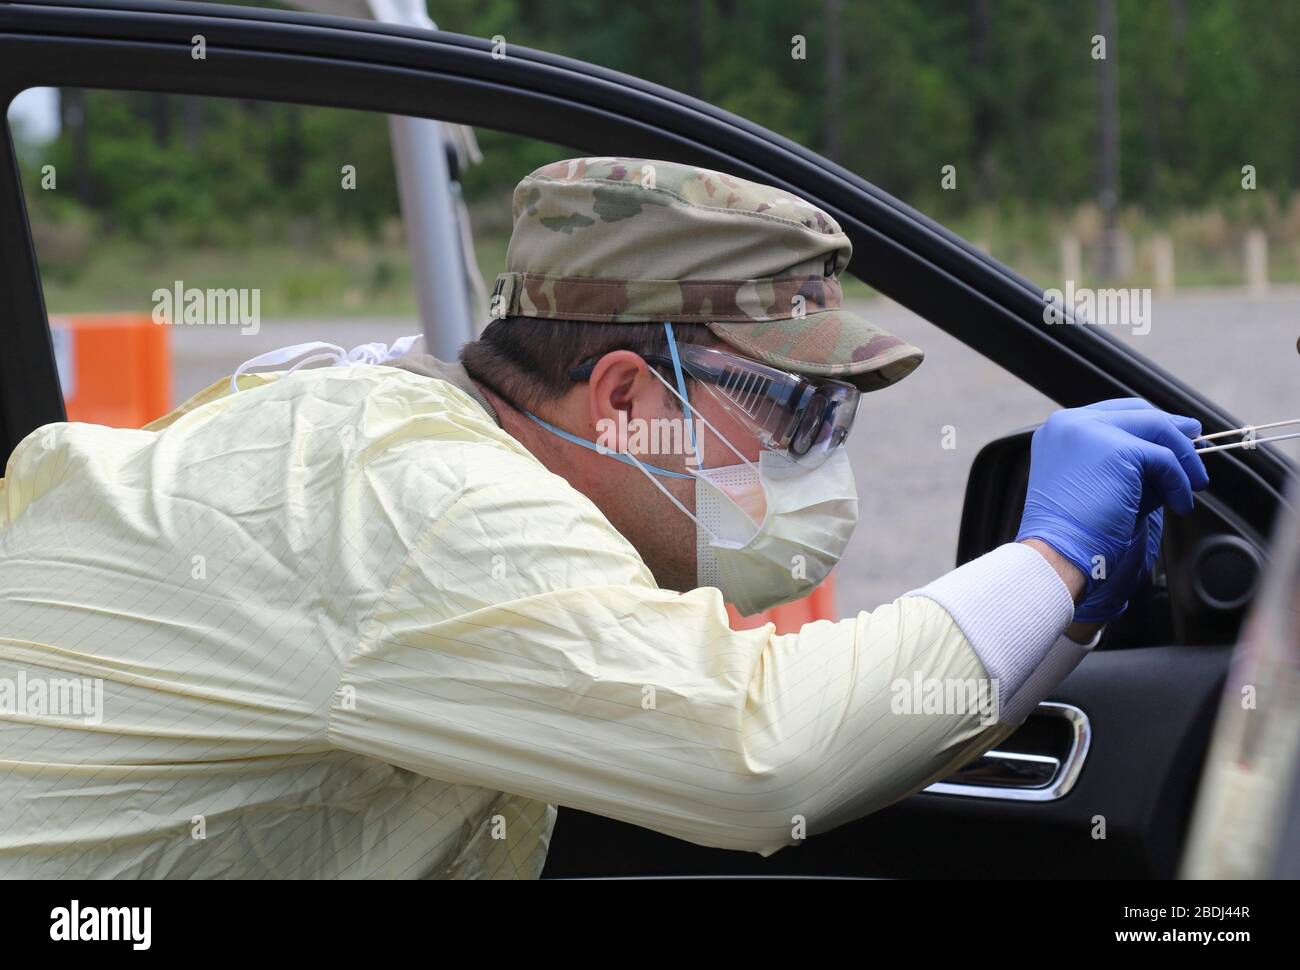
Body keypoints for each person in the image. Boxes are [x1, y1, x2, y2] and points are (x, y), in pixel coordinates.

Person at [0, 157, 1207, 878]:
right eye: (798, 408)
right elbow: (763, 758)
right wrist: (1050, 553)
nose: (823, 455)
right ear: (628, 398)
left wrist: (1065, 611)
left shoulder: (403, 446)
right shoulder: (434, 505)